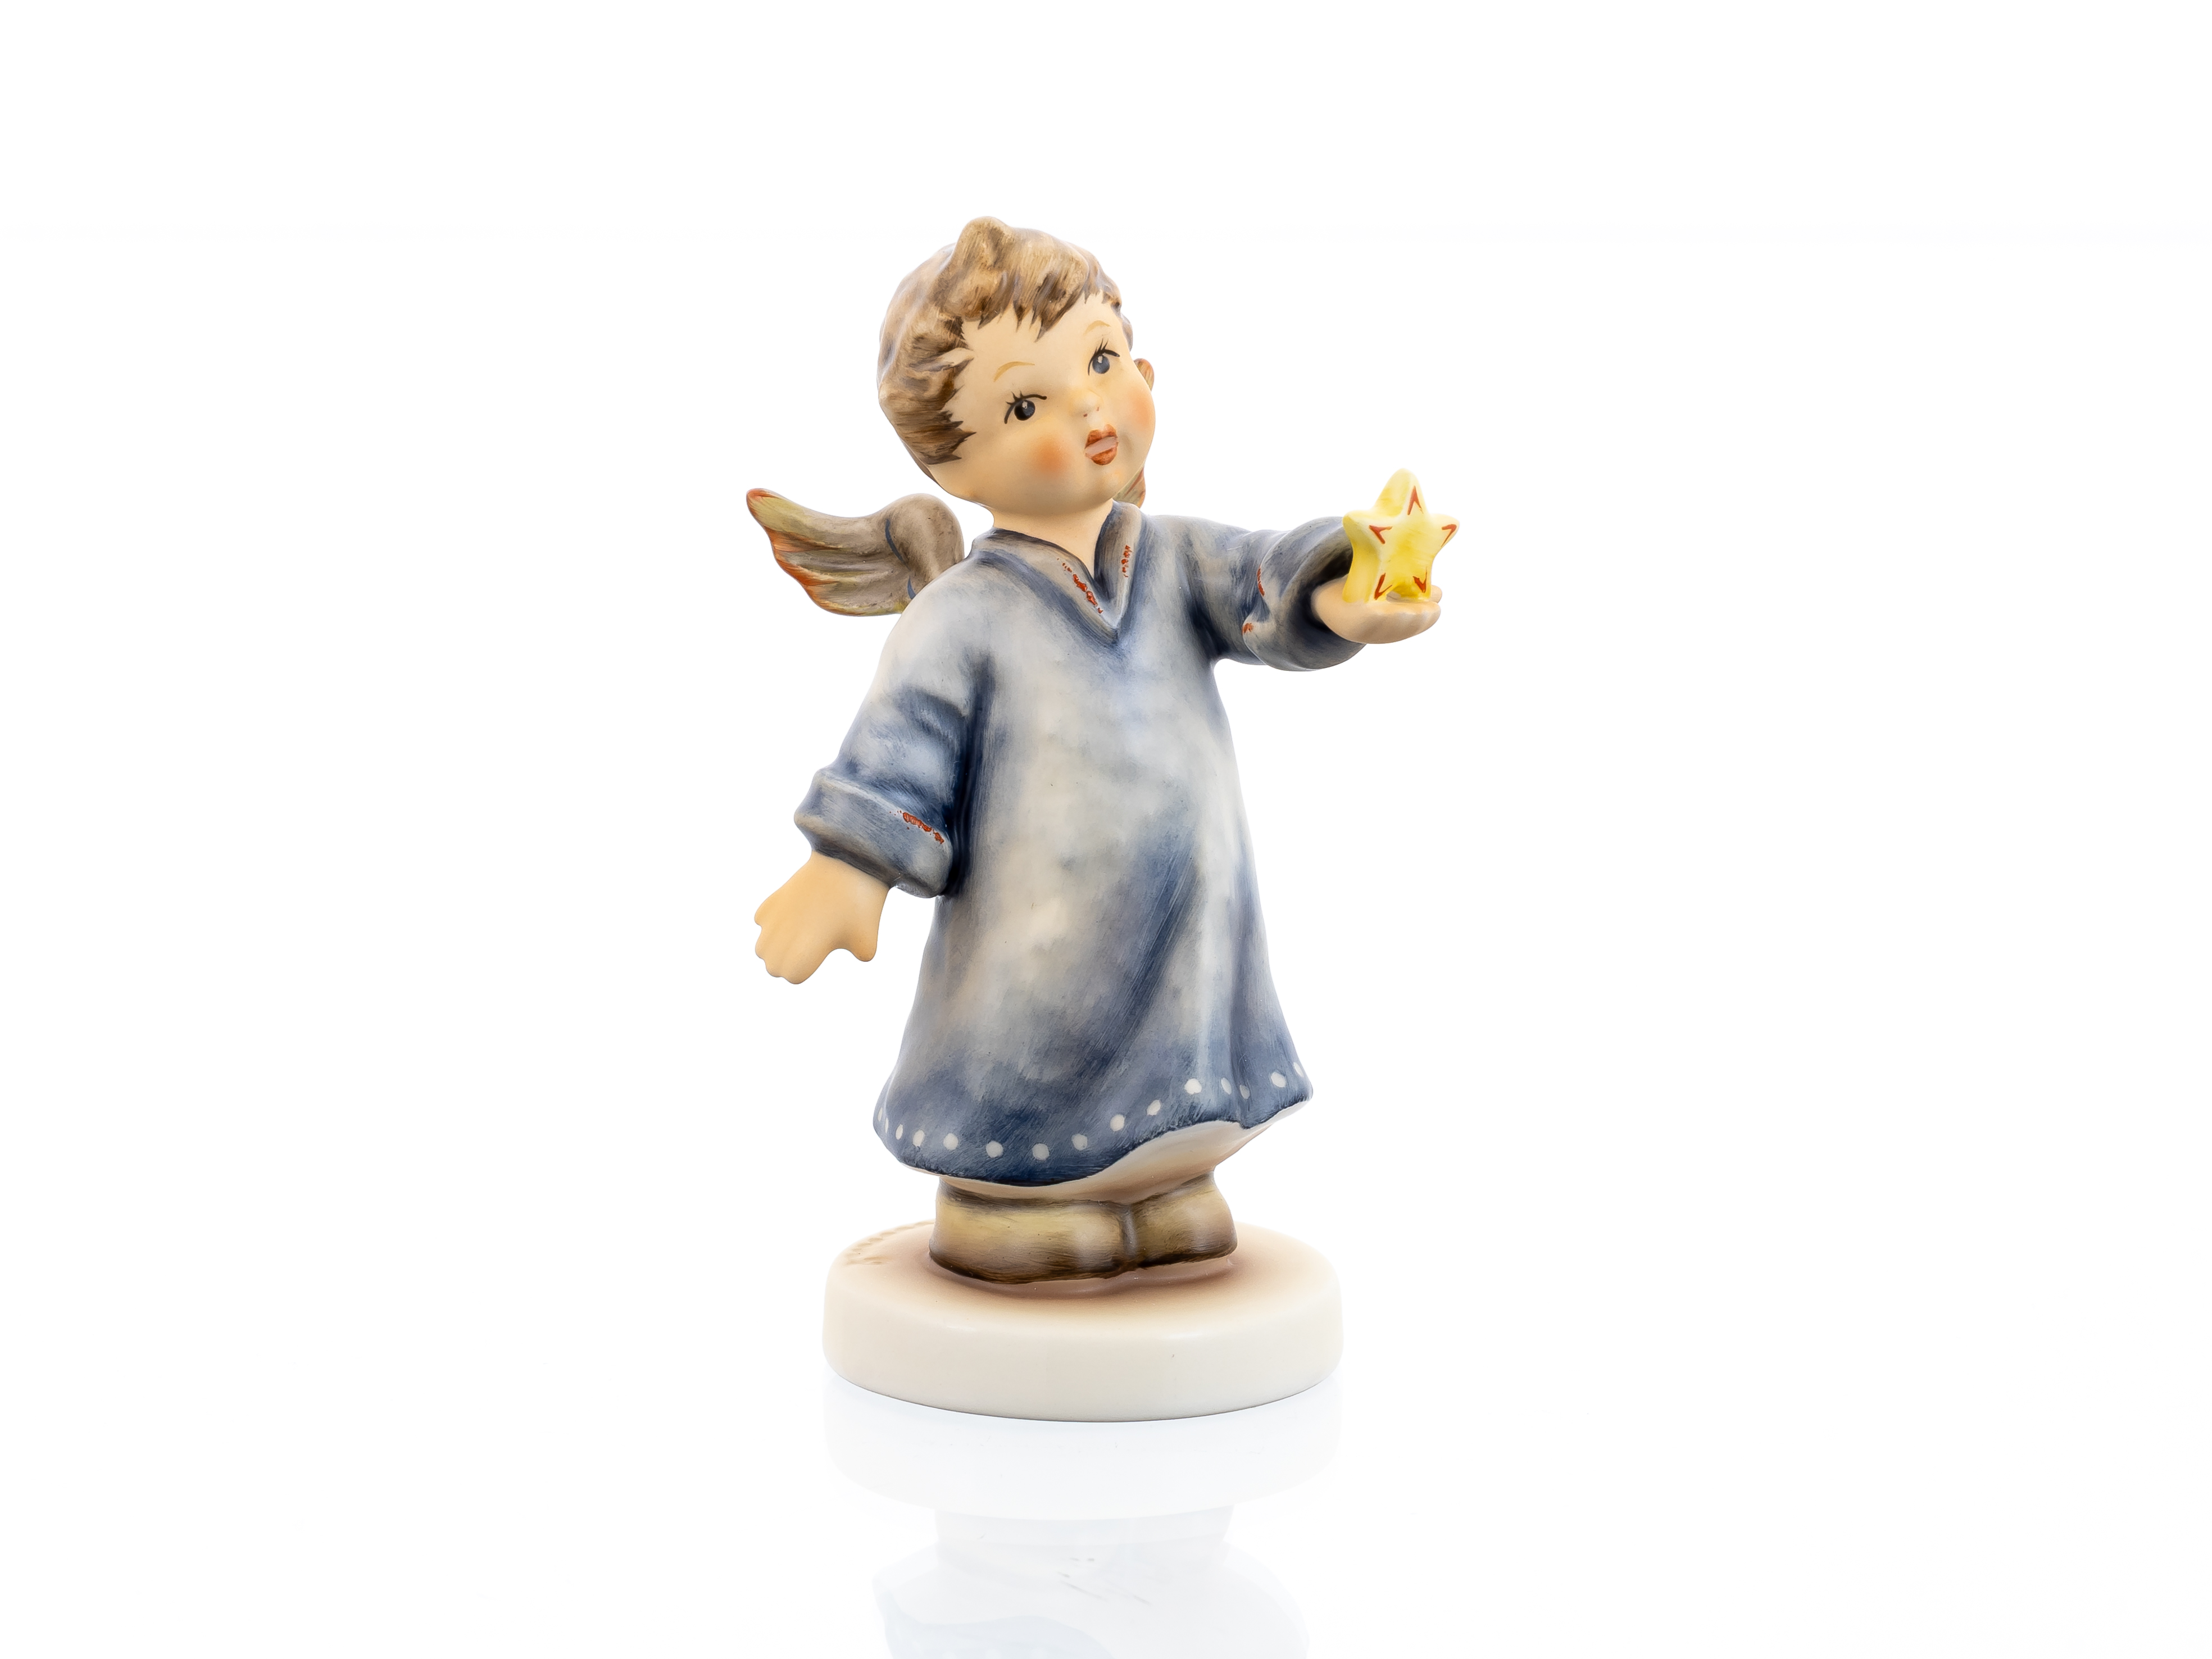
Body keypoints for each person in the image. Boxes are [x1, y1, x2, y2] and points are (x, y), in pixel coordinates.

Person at [750, 217, 1450, 1283]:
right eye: (1024, 405)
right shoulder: (961, 614)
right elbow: (903, 743)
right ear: (950, 458)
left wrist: (1344, 595)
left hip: (1190, 926)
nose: (1087, 409)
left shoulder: (1172, 559)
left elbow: (1265, 581)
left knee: (1181, 1046)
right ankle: (1009, 1201)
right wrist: (847, 868)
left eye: (1101, 361)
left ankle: (1161, 1183)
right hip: (1038, 945)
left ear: (1143, 367)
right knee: (1041, 1052)